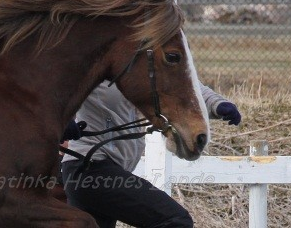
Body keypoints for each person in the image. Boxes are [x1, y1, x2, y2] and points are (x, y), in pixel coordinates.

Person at [60, 80, 241, 228]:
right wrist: (61, 120)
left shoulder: (136, 59)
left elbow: (179, 82)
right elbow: (50, 84)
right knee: (175, 221)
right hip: (89, 167)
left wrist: (215, 103)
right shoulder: (92, 56)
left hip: (107, 169)